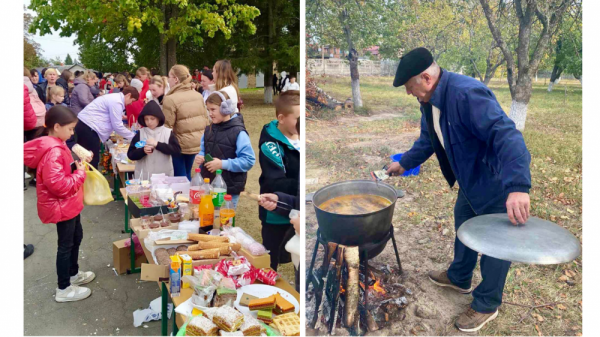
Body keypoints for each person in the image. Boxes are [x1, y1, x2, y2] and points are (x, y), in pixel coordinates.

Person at [385, 47, 531, 332]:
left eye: (409, 87)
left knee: (495, 247)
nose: (408, 93)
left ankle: (487, 303)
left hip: (495, 182)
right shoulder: (429, 100)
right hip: (469, 180)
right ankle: (460, 277)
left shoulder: (467, 94)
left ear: (426, 78)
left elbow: (507, 135)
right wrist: (404, 163)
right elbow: (429, 139)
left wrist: (517, 186)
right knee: (464, 227)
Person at [24, 106, 95, 302]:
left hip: (69, 203)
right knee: (66, 245)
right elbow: (59, 185)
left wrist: (76, 165)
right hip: (62, 205)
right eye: (71, 129)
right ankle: (63, 288)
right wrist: (80, 173)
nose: (73, 133)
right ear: (57, 126)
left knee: (76, 236)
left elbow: (61, 173)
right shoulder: (53, 151)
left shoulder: (58, 143)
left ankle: (73, 274)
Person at [258, 90, 300, 271]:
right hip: (275, 213)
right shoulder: (270, 144)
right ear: (281, 118)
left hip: (297, 211)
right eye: (298, 119)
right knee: (270, 260)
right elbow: (276, 182)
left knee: (297, 256)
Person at [195, 91, 255, 208]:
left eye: (213, 109)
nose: (210, 114)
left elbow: (248, 161)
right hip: (209, 185)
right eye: (208, 110)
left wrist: (222, 164)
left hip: (228, 189)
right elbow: (204, 149)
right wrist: (201, 156)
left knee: (223, 222)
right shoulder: (209, 129)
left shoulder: (239, 132)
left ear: (225, 108)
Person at [67, 86, 139, 168]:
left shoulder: (114, 98)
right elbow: (117, 126)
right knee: (91, 159)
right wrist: (133, 136)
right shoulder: (117, 101)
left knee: (87, 157)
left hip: (86, 126)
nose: (130, 103)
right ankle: (89, 178)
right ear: (128, 95)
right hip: (89, 128)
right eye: (132, 101)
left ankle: (84, 176)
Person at [163, 64, 209, 180]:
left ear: (176, 79)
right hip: (196, 141)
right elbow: (205, 118)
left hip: (179, 143)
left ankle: (185, 197)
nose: (168, 80)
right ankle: (189, 195)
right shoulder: (198, 95)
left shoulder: (170, 99)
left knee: (180, 176)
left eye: (169, 77)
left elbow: (167, 125)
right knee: (187, 172)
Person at [127, 101, 181, 177]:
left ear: (158, 118)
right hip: (144, 176)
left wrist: (157, 144)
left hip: (163, 175)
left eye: (152, 119)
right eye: (146, 119)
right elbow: (131, 154)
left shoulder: (167, 133)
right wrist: (142, 151)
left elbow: (176, 151)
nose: (149, 122)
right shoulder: (140, 133)